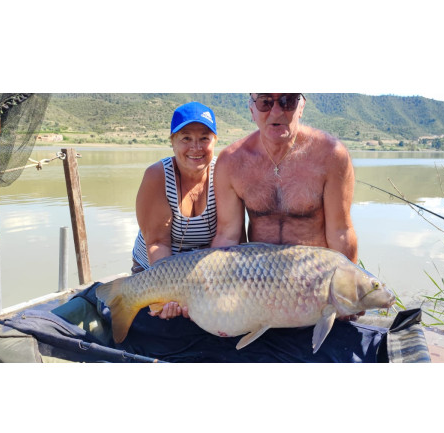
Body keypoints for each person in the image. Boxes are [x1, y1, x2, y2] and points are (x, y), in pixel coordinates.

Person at [211, 93, 358, 264]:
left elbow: (340, 232)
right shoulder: (231, 161)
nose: (276, 112)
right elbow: (228, 235)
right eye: (265, 102)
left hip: (315, 272)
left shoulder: (331, 155)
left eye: (287, 101)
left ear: (301, 107)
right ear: (252, 110)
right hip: (257, 272)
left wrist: (352, 279)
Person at [131, 101, 218, 319]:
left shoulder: (224, 173)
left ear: (215, 141)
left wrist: (214, 287)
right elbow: (157, 242)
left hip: (206, 276)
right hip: (154, 272)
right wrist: (169, 293)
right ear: (172, 142)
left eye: (204, 138)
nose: (196, 147)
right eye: (186, 138)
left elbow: (231, 237)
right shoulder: (157, 175)